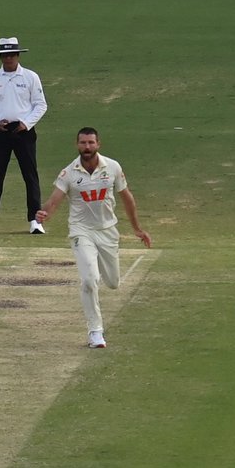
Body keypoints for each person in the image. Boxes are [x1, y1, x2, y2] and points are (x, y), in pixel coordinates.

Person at [36, 127, 152, 348]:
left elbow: (127, 198)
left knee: (113, 283)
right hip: (82, 231)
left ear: (98, 144)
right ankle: (95, 332)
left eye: (90, 143)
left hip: (108, 231)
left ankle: (96, 261)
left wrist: (137, 229)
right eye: (82, 143)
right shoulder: (69, 173)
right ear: (77, 144)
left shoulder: (113, 167)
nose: (86, 147)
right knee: (89, 280)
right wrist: (45, 214)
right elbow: (54, 201)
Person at [0, 36, 48, 235]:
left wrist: (27, 123)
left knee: (30, 175)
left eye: (11, 55)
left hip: (23, 131)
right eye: (4, 55)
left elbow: (41, 104)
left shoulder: (30, 77)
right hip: (1, 131)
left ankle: (35, 220)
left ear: (18, 55)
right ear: (0, 57)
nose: (8, 58)